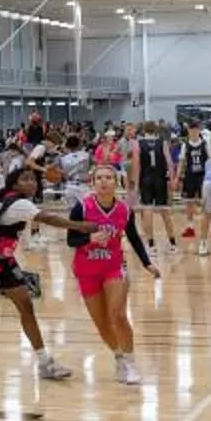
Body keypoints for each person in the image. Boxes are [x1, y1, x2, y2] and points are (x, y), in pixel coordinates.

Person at [0, 164, 71, 381]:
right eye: (25, 179)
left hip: (5, 260)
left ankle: (44, 361)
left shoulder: (7, 197)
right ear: (15, 184)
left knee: (26, 307)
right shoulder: (17, 202)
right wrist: (80, 226)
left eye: (33, 179)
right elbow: (49, 219)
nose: (31, 183)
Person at [68, 162, 158, 383]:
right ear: (93, 183)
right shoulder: (82, 207)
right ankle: (119, 358)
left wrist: (147, 263)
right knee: (102, 324)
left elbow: (134, 237)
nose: (103, 182)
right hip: (87, 269)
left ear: (116, 182)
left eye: (108, 177)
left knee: (117, 315)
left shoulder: (124, 210)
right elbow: (71, 239)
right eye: (99, 178)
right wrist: (89, 238)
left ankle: (130, 362)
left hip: (114, 267)